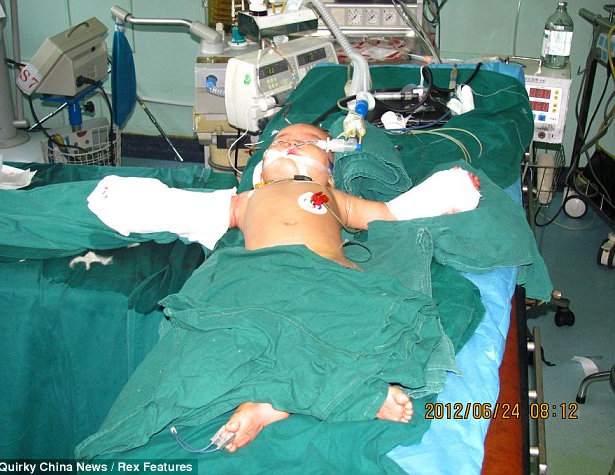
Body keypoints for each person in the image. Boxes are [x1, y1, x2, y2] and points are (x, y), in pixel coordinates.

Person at [87, 123, 481, 453]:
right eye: (279, 142)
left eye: (305, 141)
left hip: (326, 276)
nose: (289, 144)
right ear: (262, 168)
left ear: (328, 172)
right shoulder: (248, 199)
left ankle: (274, 400)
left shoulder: (333, 198)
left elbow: (393, 212)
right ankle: (292, 399)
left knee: (361, 324)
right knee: (213, 345)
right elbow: (181, 207)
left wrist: (450, 190)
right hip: (259, 276)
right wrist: (117, 197)